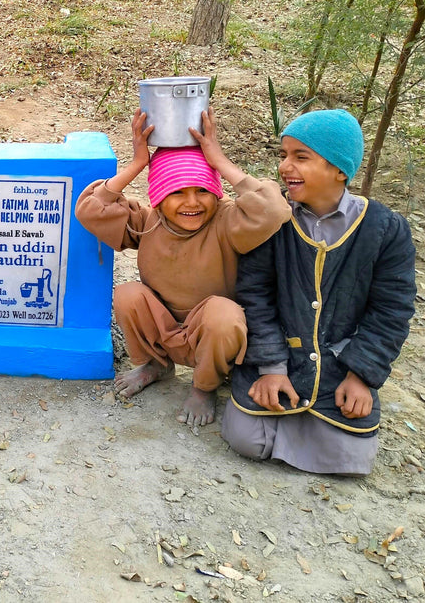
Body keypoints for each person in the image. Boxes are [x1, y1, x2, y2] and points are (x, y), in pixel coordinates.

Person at [222, 109, 416, 474]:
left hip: (340, 365)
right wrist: (272, 368)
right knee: (245, 438)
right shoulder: (274, 218)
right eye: (283, 155)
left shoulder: (386, 229)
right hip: (279, 354)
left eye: (301, 157)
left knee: (348, 459)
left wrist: (361, 376)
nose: (284, 167)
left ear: (340, 169)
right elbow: (254, 295)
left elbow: (392, 310)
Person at [75, 108, 292, 427]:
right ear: (159, 199)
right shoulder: (148, 223)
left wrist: (218, 160)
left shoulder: (228, 222)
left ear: (217, 195)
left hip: (213, 339)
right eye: (177, 192)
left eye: (202, 191)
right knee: (128, 294)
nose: (192, 203)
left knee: (222, 312)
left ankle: (205, 386)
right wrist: (137, 165)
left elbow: (273, 210)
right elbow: (90, 210)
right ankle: (155, 365)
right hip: (164, 333)